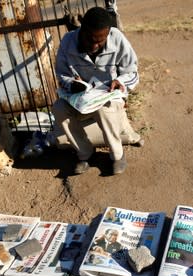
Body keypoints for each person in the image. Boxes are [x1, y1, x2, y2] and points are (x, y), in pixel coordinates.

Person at [52, 7, 142, 175]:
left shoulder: (117, 39)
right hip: (82, 98)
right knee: (59, 108)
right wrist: (72, 84)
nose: (94, 45)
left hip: (110, 96)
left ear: (107, 34)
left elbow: (132, 72)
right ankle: (85, 153)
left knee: (103, 108)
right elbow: (62, 73)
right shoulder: (68, 42)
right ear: (82, 30)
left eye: (100, 41)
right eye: (90, 39)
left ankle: (117, 155)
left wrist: (119, 81)